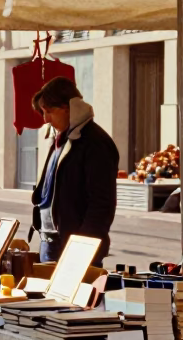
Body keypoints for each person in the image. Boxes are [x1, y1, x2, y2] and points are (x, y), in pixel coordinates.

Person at [29, 76, 119, 266]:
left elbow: (101, 204)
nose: (46, 119)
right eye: (43, 113)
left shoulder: (96, 143)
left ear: (69, 107)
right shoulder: (59, 139)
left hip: (76, 246)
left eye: (50, 112)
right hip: (50, 241)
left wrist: (83, 246)